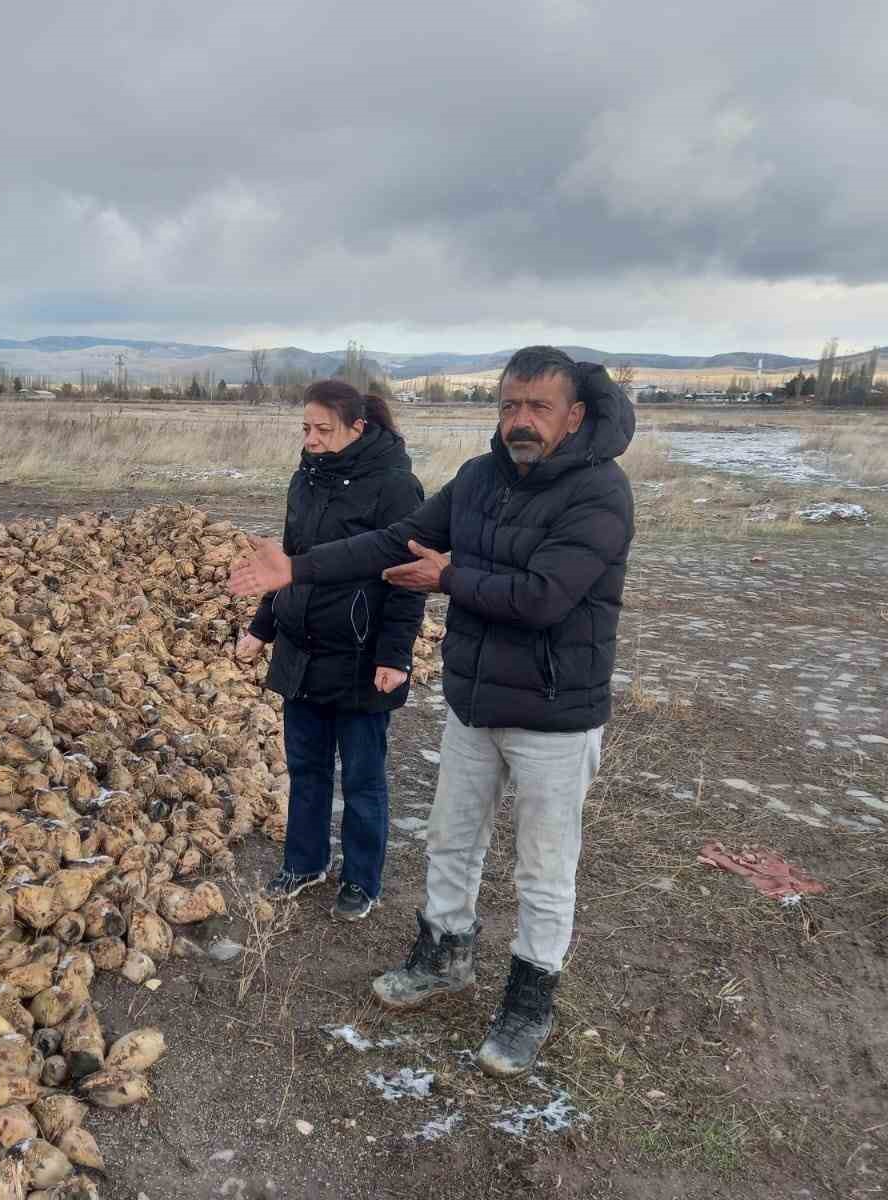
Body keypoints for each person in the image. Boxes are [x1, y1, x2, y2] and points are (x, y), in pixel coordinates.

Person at [229, 347, 634, 1077]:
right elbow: (392, 542)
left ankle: (529, 998)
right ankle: (443, 955)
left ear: (574, 415)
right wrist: (298, 568)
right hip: (475, 702)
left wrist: (449, 576)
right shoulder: (478, 480)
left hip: (555, 712)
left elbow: (546, 596)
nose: (519, 420)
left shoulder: (600, 493)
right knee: (451, 841)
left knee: (543, 867)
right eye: (509, 404)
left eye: (537, 407)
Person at [238, 379, 425, 921]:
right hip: (302, 648)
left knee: (363, 776)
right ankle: (304, 862)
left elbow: (405, 581)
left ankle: (362, 879)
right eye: (306, 428)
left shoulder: (396, 487)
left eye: (324, 429)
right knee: (306, 766)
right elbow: (288, 562)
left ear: (357, 428)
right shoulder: (306, 478)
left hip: (361, 654)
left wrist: (395, 656)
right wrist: (262, 629)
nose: (312, 439)